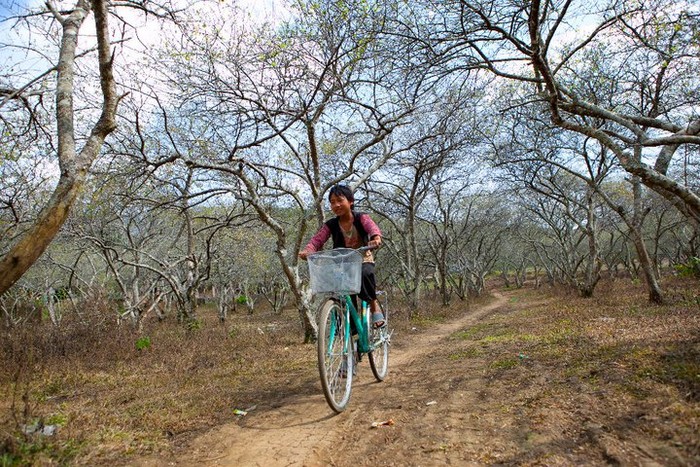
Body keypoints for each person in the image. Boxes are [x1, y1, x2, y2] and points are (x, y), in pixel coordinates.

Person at [298, 184, 385, 327]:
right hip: (342, 262)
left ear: (350, 201)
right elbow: (317, 239)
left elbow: (372, 227)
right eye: (332, 202)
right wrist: (309, 250)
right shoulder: (331, 224)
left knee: (366, 273)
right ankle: (351, 336)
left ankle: (374, 305)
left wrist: (376, 238)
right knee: (343, 294)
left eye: (339, 200)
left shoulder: (361, 217)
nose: (336, 205)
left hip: (362, 257)